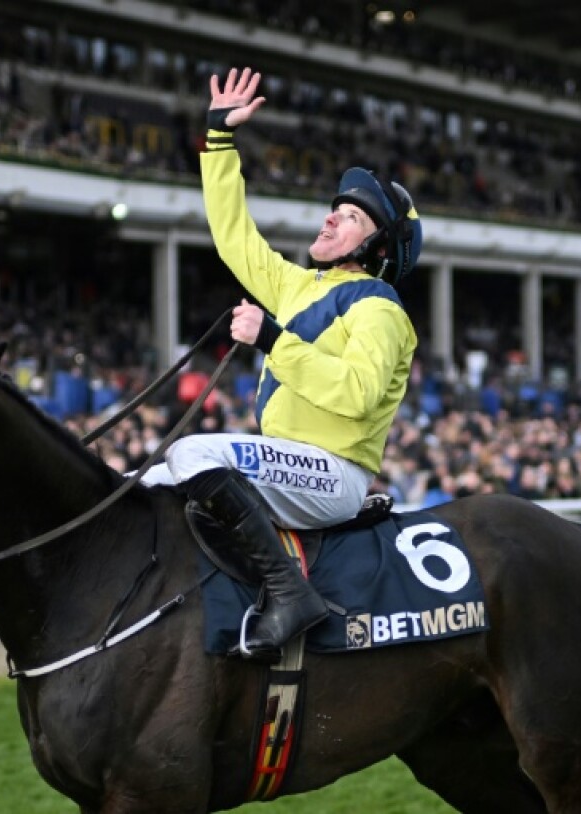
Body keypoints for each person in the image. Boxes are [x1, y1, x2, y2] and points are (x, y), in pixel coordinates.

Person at [153, 67, 421, 659]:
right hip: (290, 465)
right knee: (143, 481)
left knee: (193, 452)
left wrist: (275, 341)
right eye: (335, 208)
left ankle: (290, 594)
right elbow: (233, 237)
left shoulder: (381, 307)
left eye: (350, 216)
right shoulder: (300, 287)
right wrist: (219, 140)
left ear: (377, 248)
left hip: (334, 475)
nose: (330, 217)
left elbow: (356, 393)